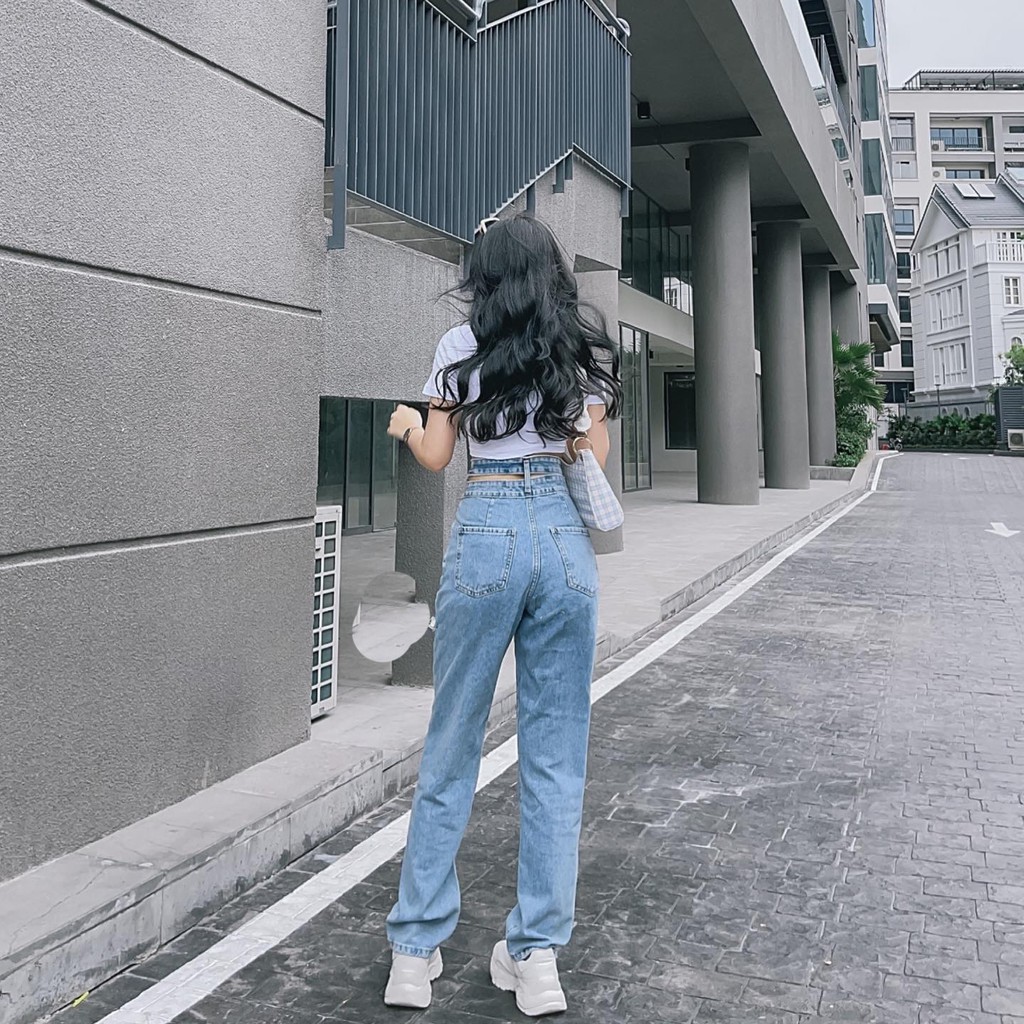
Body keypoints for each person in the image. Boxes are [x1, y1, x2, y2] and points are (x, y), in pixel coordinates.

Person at [382, 213, 622, 1017]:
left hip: (486, 529)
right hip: (561, 539)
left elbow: (436, 456)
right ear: (552, 274)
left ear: (483, 278)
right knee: (556, 757)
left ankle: (413, 954)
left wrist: (408, 424)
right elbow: (594, 457)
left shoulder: (460, 347)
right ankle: (537, 958)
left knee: (452, 742)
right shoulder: (577, 351)